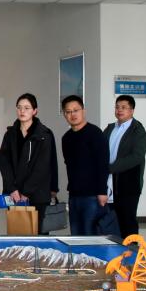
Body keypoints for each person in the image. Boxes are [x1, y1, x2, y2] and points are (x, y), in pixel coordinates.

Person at [0, 93, 58, 227]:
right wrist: (12, 188)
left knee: (39, 234)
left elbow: (42, 166)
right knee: (17, 232)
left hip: (37, 194)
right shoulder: (10, 134)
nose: (22, 111)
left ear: (35, 111)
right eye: (19, 107)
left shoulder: (44, 135)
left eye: (27, 108)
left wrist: (26, 192)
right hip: (14, 195)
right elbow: (4, 162)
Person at [60, 95, 109, 236]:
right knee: (76, 235)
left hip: (93, 196)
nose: (72, 114)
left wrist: (102, 192)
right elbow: (69, 164)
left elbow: (102, 164)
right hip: (74, 195)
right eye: (68, 112)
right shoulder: (66, 138)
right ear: (64, 115)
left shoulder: (95, 133)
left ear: (83, 111)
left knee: (90, 235)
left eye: (76, 110)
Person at [103, 95, 146, 238]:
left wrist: (111, 168)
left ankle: (131, 250)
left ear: (132, 110)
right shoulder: (110, 128)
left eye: (123, 107)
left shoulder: (137, 130)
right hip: (109, 182)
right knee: (111, 220)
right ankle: (114, 250)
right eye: (117, 107)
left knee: (127, 220)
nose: (119, 110)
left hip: (128, 184)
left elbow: (137, 157)